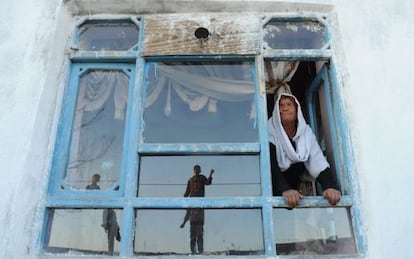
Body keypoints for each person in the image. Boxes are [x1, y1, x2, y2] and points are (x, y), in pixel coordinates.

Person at [268, 93, 341, 208]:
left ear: (297, 111)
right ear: (276, 112)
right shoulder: (269, 132)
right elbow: (270, 165)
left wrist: (330, 187)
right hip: (272, 194)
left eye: (289, 104)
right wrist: (285, 190)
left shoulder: (305, 133)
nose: (285, 108)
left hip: (295, 199)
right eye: (281, 106)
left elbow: (318, 162)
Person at [181, 165, 214, 254]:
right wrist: (184, 199)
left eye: (198, 170)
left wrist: (210, 174)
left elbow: (208, 182)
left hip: (199, 208)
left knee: (199, 234)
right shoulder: (190, 180)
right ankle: (193, 251)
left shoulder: (202, 178)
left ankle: (200, 251)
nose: (196, 171)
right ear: (193, 171)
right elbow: (187, 191)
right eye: (195, 170)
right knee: (192, 235)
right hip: (193, 211)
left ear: (199, 170)